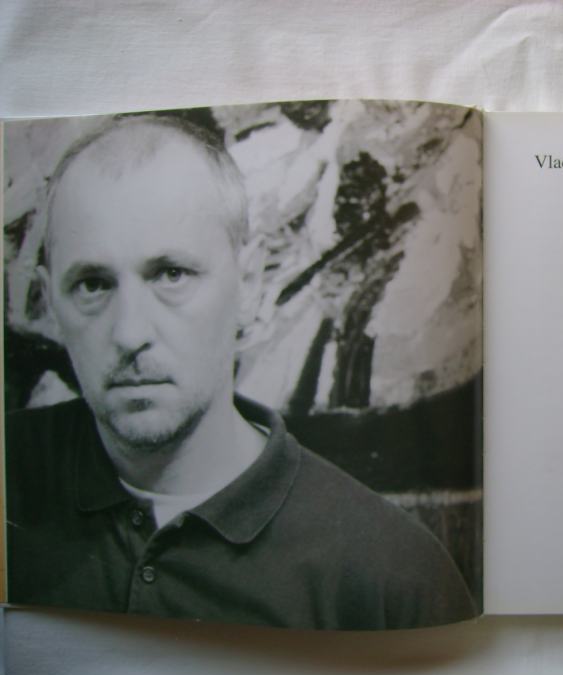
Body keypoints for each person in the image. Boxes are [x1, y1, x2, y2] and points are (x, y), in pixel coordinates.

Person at [4, 116, 476, 630]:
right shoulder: (11, 480)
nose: (129, 332)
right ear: (50, 303)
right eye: (93, 285)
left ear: (248, 282)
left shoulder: (392, 576)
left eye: (171, 274)